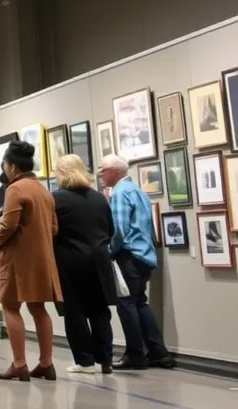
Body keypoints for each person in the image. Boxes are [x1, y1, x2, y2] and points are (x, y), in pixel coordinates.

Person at [0, 141, 62, 382]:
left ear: (11, 167)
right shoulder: (43, 190)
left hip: (16, 259)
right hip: (42, 258)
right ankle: (46, 362)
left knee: (10, 306)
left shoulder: (15, 189)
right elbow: (54, 227)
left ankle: (20, 363)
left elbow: (8, 224)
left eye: (4, 164)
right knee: (38, 308)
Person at [99, 154, 175, 370]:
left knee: (126, 303)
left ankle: (135, 354)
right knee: (139, 302)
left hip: (129, 256)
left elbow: (119, 228)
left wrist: (110, 250)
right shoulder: (138, 192)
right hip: (144, 256)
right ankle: (158, 352)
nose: (101, 175)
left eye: (103, 170)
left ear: (115, 171)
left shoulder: (120, 193)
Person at [51, 155, 118, 374]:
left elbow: (51, 232)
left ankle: (85, 360)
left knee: (75, 312)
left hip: (70, 261)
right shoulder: (99, 198)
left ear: (61, 173)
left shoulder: (57, 199)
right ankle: (106, 360)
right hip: (100, 261)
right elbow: (110, 230)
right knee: (100, 311)